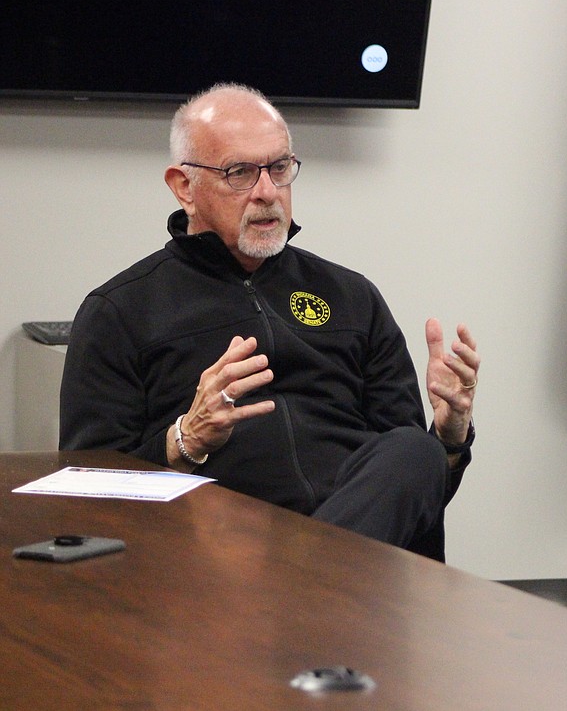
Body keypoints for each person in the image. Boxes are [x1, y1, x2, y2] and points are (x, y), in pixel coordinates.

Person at [60, 83, 479, 562]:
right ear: (183, 187)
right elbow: (87, 492)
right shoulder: (120, 311)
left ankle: (305, 584)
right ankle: (307, 590)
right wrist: (184, 440)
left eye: (279, 168)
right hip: (219, 561)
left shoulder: (352, 298)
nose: (267, 192)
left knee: (413, 449)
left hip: (357, 553)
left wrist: (449, 439)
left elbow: (410, 492)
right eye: (240, 173)